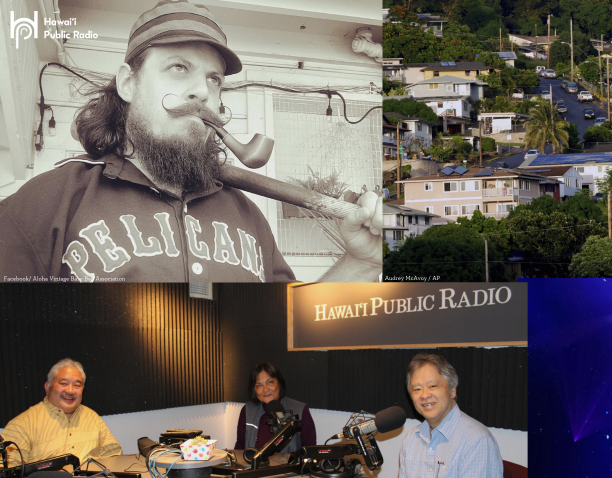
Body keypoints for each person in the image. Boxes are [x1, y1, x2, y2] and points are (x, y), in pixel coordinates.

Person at [0, 0, 382, 283]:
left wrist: (362, 262)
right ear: (128, 83)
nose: (201, 90)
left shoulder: (248, 217)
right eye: (178, 68)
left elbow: (291, 330)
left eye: (214, 79)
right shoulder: (46, 204)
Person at [373, 354, 503, 478]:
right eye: (417, 389)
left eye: (433, 386)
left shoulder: (476, 440)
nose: (425, 395)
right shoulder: (412, 438)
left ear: (452, 390)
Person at [0, 359, 121, 467]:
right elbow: (8, 475)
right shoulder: (22, 424)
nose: (70, 391)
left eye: (77, 385)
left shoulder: (92, 418)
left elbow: (113, 456)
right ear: (48, 387)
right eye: (63, 383)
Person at [234, 363, 316, 455]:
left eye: (270, 382)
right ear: (254, 390)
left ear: (279, 383)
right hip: (253, 468)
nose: (265, 389)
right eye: (259, 385)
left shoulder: (300, 410)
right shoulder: (247, 411)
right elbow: (239, 449)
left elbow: (310, 452)